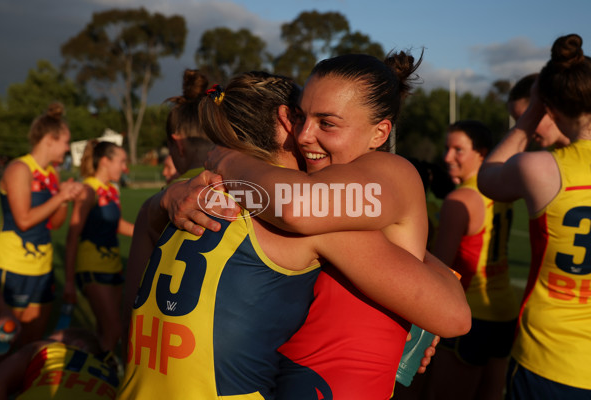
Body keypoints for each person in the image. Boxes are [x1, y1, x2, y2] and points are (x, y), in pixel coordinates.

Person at [118, 70, 470, 399]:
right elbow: (453, 315)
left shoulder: (186, 193)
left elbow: (129, 308)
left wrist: (159, 201)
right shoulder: (302, 220)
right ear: (288, 121)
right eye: (303, 119)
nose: (308, 136)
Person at [478, 33, 591, 399]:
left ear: (551, 108)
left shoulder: (541, 169)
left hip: (549, 354)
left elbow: (488, 177)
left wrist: (529, 117)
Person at [420, 121, 519, 400]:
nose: (447, 157)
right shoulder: (503, 190)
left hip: (468, 313)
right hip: (503, 311)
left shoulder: (460, 199)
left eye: (458, 150)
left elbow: (438, 267)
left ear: (482, 153)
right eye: (447, 148)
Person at [120, 69, 214, 359]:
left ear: (178, 143)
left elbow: (130, 310)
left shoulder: (157, 204)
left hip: (160, 357)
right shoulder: (249, 192)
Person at [0, 102, 83, 348]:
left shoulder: (52, 173)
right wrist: (60, 197)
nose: (67, 148)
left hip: (42, 267)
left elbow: (55, 222)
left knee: (31, 345)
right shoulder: (19, 169)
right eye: (65, 142)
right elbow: (23, 220)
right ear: (49, 140)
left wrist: (64, 200)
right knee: (4, 344)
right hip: (13, 268)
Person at [64, 140, 134, 352]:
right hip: (92, 267)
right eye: (121, 161)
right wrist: (68, 281)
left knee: (105, 330)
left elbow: (117, 224)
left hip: (113, 267)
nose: (124, 167)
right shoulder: (88, 190)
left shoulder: (110, 190)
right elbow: (72, 235)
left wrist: (153, 233)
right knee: (114, 330)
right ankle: (102, 375)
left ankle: (99, 376)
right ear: (105, 161)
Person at [0, 327, 120, 399]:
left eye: (51, 338)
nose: (46, 340)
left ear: (78, 344)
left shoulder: (47, 347)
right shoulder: (117, 382)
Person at [508, 73, 570, 149]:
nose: (522, 129)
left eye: (526, 119)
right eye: (517, 123)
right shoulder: (553, 158)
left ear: (551, 109)